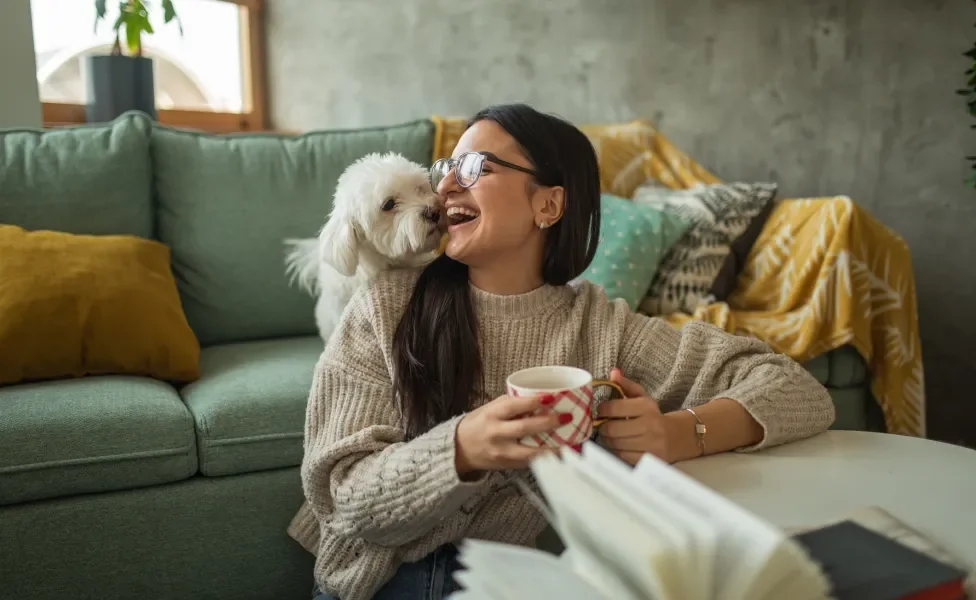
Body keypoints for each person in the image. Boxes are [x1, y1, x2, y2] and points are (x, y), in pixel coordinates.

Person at [287, 103, 836, 600]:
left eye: (476, 167)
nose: (448, 186)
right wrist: (461, 448)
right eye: (446, 169)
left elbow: (794, 389)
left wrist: (677, 432)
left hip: (512, 577)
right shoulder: (385, 306)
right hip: (375, 582)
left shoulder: (602, 325)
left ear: (548, 204)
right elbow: (341, 499)